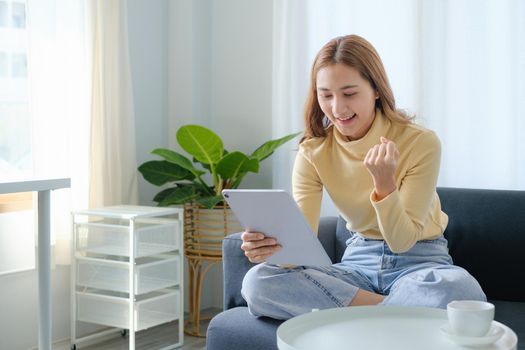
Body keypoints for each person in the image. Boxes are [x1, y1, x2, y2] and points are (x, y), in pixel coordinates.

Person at [239, 34, 486, 320]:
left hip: (421, 262)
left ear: (376, 90)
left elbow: (402, 242)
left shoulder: (420, 142)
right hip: (356, 267)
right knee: (258, 282)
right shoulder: (313, 151)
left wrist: (384, 186)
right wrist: (271, 251)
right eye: (326, 94)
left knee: (458, 289)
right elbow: (299, 247)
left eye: (349, 93)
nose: (337, 108)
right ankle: (392, 313)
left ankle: (356, 316)